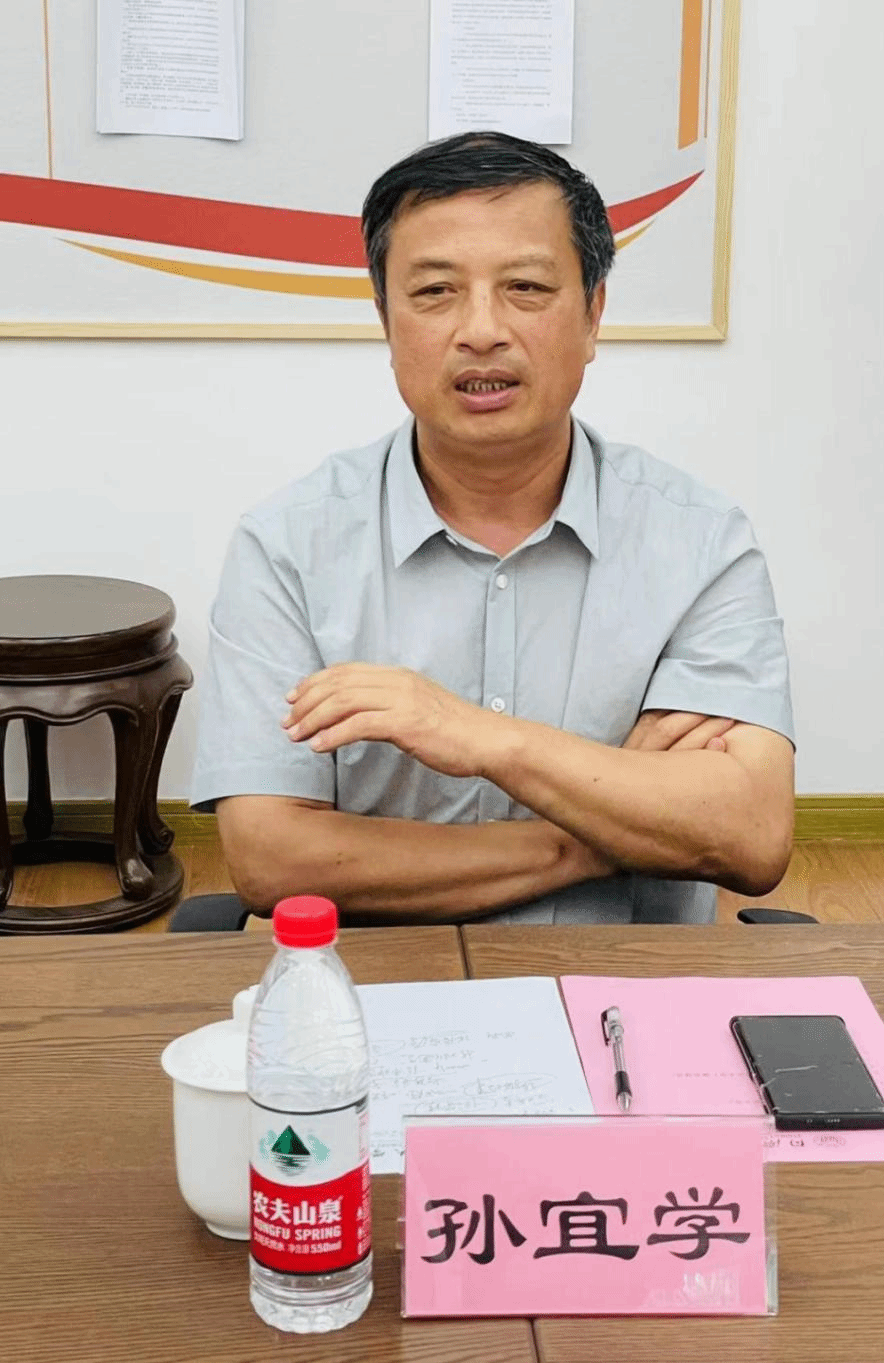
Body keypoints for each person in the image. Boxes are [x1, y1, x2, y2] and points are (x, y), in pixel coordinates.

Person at [190, 130, 795, 925]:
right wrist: (595, 833)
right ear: (385, 320)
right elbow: (273, 859)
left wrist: (479, 738)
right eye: (436, 291)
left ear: (593, 315)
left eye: (526, 287)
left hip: (626, 983)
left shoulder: (700, 543)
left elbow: (750, 835)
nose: (481, 330)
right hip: (382, 983)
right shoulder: (287, 547)